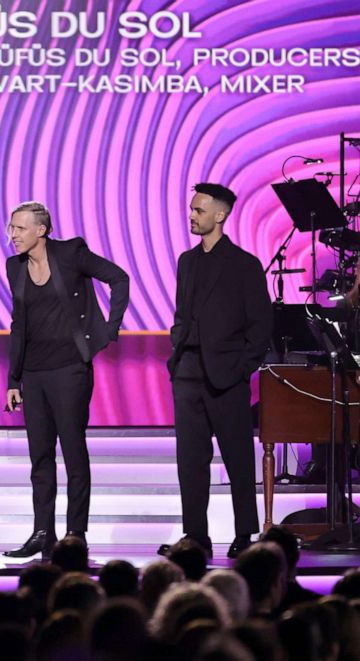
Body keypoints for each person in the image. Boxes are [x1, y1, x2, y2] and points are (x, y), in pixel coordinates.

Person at [2, 201, 129, 559]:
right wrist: (13, 379)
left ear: (41, 230)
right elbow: (18, 325)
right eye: (11, 228)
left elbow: (119, 278)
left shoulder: (72, 252)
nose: (12, 235)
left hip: (70, 369)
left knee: (73, 451)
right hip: (34, 372)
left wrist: (109, 328)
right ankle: (43, 532)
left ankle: (76, 532)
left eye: (20, 228)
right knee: (39, 457)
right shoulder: (15, 267)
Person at [159, 183, 271, 559]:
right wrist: (178, 350)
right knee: (190, 459)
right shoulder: (186, 262)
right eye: (191, 209)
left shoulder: (244, 264)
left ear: (220, 215)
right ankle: (195, 536)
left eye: (199, 210)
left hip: (227, 375)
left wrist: (243, 367)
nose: (192, 216)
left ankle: (244, 534)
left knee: (238, 457)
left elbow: (260, 324)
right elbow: (181, 313)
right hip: (187, 371)